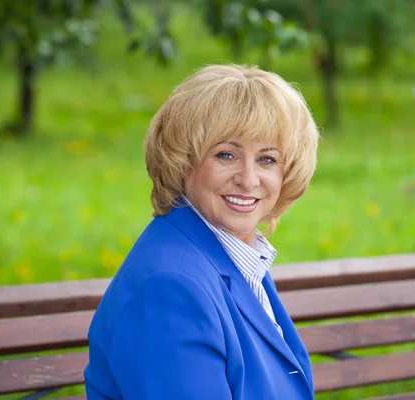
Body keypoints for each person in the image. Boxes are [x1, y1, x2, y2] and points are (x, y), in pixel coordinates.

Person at [84, 64, 320, 399]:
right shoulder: (170, 288)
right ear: (182, 160)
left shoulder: (235, 256)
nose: (249, 179)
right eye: (226, 155)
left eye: (267, 159)